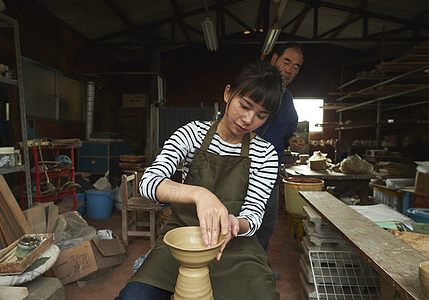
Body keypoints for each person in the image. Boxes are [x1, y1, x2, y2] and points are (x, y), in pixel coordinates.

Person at [115, 60, 283, 300]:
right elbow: (148, 182)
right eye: (244, 105)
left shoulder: (265, 154)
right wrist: (199, 194)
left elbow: (254, 215)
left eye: (260, 115)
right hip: (182, 239)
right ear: (228, 94)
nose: (248, 119)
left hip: (235, 248)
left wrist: (236, 224)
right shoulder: (191, 133)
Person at [254, 42, 306, 251]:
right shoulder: (255, 89)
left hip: (270, 173)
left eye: (296, 66)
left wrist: (291, 139)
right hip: (243, 168)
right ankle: (237, 270)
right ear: (274, 59)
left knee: (267, 223)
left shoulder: (288, 98)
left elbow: (288, 130)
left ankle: (258, 266)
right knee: (241, 222)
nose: (289, 69)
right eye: (286, 62)